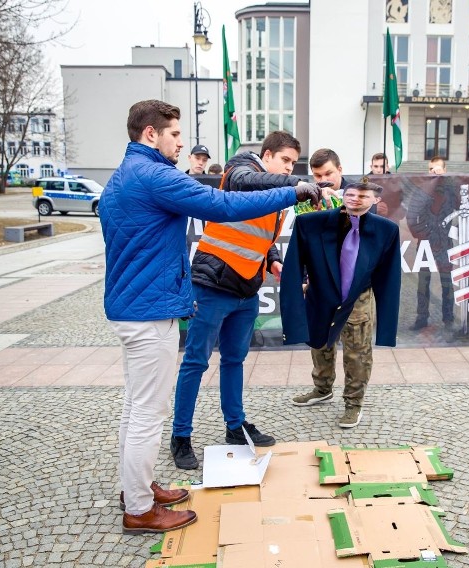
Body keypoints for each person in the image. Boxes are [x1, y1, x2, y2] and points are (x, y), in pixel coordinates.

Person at [100, 100, 322, 534]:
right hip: (150, 310)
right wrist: (293, 190)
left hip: (132, 305)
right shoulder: (154, 174)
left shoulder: (123, 175)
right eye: (175, 134)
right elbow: (221, 205)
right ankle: (140, 509)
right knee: (148, 412)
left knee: (134, 405)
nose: (181, 143)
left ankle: (138, 487)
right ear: (151, 134)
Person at [171, 131, 332, 470]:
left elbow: (259, 234)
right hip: (212, 284)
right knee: (196, 362)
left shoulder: (273, 195)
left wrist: (272, 258)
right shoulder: (240, 168)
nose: (289, 168)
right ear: (267, 155)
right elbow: (245, 183)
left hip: (246, 289)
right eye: (285, 160)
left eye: (293, 163)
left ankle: (235, 425)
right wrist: (296, 186)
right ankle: (181, 435)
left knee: (234, 360)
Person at [283, 181, 402, 428]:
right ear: (342, 196)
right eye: (350, 194)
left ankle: (353, 404)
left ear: (375, 200)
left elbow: (389, 277)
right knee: (320, 345)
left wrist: (388, 323)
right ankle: (322, 388)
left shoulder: (386, 230)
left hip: (358, 298)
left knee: (358, 353)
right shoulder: (311, 223)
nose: (356, 199)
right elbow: (295, 264)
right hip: (322, 296)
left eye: (363, 195)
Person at [410, 156, 455, 332]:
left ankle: (448, 317)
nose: (433, 172)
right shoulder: (422, 189)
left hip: (444, 242)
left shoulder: (450, 189)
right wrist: (423, 233)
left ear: (444, 170)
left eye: (437, 169)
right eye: (430, 169)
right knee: (423, 281)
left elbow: (461, 201)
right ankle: (422, 317)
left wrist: (446, 180)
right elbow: (412, 216)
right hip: (425, 241)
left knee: (447, 281)